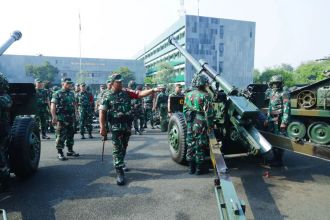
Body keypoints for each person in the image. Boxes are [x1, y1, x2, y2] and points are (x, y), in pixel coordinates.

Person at [99, 74, 160, 185]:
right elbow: (102, 112)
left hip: (127, 125)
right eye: (118, 82)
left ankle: (121, 162)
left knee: (124, 146)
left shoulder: (126, 92)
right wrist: (102, 127)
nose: (121, 83)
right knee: (117, 148)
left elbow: (140, 94)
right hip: (116, 126)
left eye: (121, 82)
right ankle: (119, 172)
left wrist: (153, 90)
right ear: (112, 83)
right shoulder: (106, 95)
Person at [184, 75, 214, 175]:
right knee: (199, 145)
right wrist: (210, 126)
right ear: (204, 84)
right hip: (200, 122)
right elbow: (209, 114)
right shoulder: (205, 95)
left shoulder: (188, 94)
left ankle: (190, 168)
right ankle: (199, 169)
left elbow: (185, 110)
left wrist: (188, 120)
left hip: (190, 122)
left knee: (190, 144)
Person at [51, 77, 79, 161]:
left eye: (70, 83)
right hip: (61, 118)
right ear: (62, 84)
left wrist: (76, 113)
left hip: (71, 117)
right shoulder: (57, 93)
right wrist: (53, 116)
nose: (70, 85)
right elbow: (53, 105)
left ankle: (70, 150)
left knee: (71, 135)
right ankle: (60, 153)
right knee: (60, 136)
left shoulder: (71, 93)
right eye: (67, 83)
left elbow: (74, 104)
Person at [265, 75, 290, 167]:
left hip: (279, 120)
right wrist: (267, 119)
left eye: (277, 83)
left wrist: (284, 122)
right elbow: (270, 107)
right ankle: (274, 158)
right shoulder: (272, 93)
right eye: (274, 83)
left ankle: (279, 160)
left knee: (279, 140)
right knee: (273, 139)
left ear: (280, 83)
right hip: (272, 119)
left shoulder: (284, 93)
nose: (275, 85)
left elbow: (287, 108)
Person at [0, 72, 12, 190]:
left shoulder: (5, 97)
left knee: (1, 157)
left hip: (2, 132)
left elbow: (6, 103)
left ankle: (5, 182)